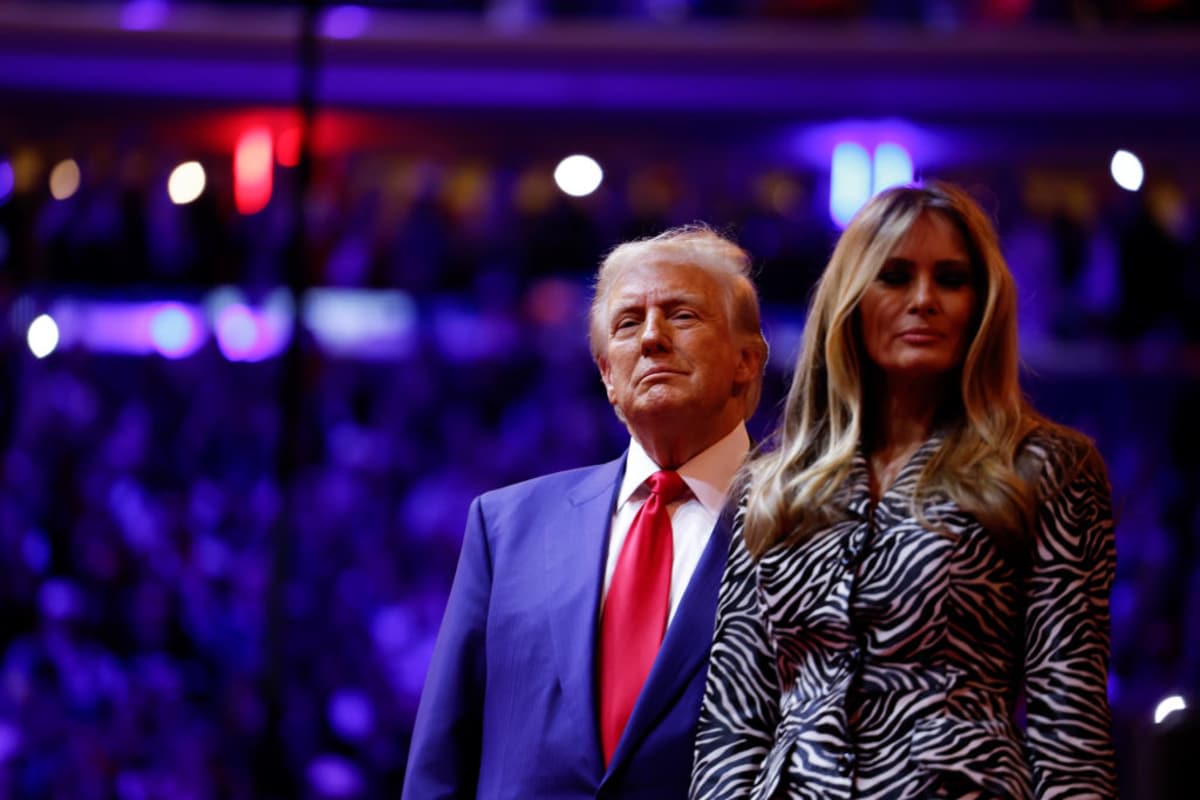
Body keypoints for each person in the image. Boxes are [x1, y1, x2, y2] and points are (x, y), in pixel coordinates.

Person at [691, 183, 1117, 800]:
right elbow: (733, 721)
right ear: (851, 300)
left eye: (951, 279)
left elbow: (1068, 721)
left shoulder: (1045, 468)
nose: (924, 300)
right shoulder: (772, 484)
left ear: (983, 304)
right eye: (894, 276)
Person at [403, 225, 769, 799]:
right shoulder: (505, 528)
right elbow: (440, 765)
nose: (651, 338)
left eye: (682, 315)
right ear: (606, 375)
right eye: (628, 323)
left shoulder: (815, 528)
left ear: (747, 360)